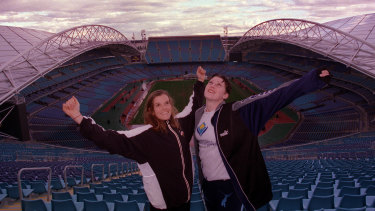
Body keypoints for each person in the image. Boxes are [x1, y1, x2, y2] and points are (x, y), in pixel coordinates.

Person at [62, 67, 206, 211]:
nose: (164, 108)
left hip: (185, 200)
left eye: (166, 103)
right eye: (158, 105)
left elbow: (194, 106)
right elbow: (108, 139)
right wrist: (78, 117)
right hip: (164, 206)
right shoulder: (144, 136)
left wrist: (200, 81)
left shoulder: (181, 124)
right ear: (151, 110)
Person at [193, 67, 331, 211]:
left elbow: (275, 96)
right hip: (208, 187)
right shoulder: (199, 114)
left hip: (232, 187)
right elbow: (194, 104)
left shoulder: (238, 112)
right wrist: (200, 82)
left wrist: (312, 79)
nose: (213, 85)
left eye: (219, 84)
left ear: (226, 95)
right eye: (211, 82)